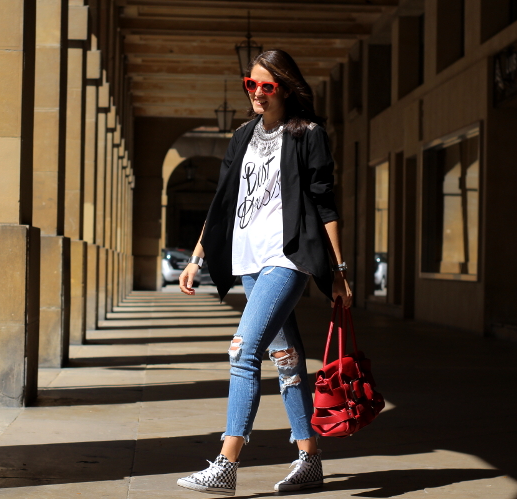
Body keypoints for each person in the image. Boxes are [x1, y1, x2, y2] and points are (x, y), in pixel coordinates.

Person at [176, 49, 352, 496]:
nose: (256, 93)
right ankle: (309, 458)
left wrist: (338, 270)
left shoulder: (307, 133)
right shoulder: (242, 136)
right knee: (286, 359)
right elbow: (222, 204)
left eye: (266, 86)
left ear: (286, 88)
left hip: (287, 257)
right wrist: (197, 257)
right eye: (249, 84)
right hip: (249, 260)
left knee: (242, 350)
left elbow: (324, 202)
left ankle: (225, 463)